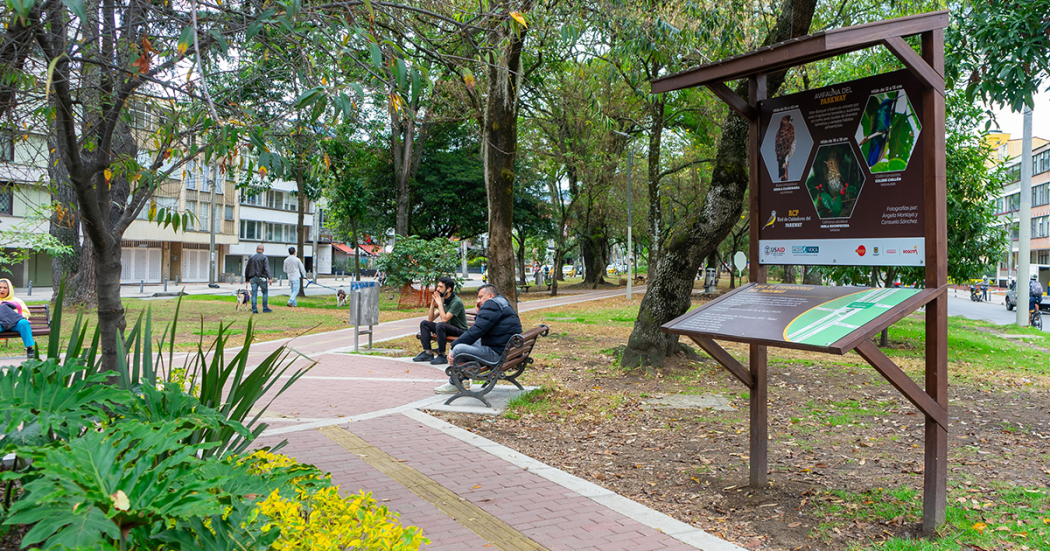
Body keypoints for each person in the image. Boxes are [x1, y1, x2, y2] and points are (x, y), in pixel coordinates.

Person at [436, 283, 522, 394]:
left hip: (498, 354)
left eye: (481, 297)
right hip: (507, 350)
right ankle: (464, 381)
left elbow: (476, 331)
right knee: (471, 343)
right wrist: (479, 312)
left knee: (458, 349)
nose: (478, 300)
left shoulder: (491, 305)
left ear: (490, 295)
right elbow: (482, 327)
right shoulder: (502, 302)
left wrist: (453, 347)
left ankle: (454, 383)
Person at [413, 276, 468, 366]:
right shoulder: (444, 301)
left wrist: (439, 303)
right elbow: (430, 319)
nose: (437, 289)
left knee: (440, 325)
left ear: (449, 289)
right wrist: (432, 304)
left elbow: (444, 319)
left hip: (460, 331)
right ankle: (428, 353)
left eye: (441, 287)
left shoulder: (456, 302)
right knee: (425, 324)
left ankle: (442, 355)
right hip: (447, 328)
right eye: (438, 286)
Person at [0, 279, 34, 359]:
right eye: (0, 287)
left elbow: (26, 313)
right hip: (1, 324)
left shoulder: (18, 301)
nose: (2, 290)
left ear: (9, 289)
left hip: (15, 324)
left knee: (24, 323)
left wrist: (15, 316)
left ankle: (30, 349)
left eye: (5, 288)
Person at [244, 244, 273, 314]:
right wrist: (270, 277)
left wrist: (247, 278)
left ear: (256, 250)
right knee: (265, 292)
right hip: (262, 277)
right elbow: (266, 268)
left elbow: (247, 268)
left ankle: (254, 309)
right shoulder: (264, 258)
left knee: (254, 293)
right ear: (263, 250)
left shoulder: (251, 258)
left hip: (253, 277)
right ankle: (265, 307)